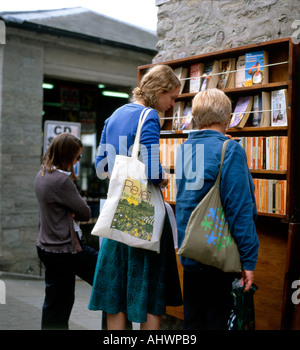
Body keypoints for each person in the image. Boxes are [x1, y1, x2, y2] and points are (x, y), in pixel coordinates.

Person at [88, 64, 183, 330]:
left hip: (117, 214)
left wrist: (123, 177)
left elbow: (101, 167)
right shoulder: (149, 116)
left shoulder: (115, 115)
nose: (172, 104)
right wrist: (163, 178)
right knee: (151, 294)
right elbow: (153, 171)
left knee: (114, 295)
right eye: (172, 97)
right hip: (142, 216)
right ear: (159, 91)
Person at [175, 89, 259, 330]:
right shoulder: (230, 150)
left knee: (193, 320)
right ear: (227, 118)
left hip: (190, 248)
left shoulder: (185, 148)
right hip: (218, 252)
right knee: (217, 321)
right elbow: (240, 209)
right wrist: (249, 260)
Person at [35, 132, 98, 330]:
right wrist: (74, 209)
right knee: (107, 277)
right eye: (77, 157)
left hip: (47, 246)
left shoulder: (42, 174)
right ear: (67, 156)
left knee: (55, 302)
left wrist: (70, 209)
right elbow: (85, 212)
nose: (78, 160)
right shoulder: (62, 181)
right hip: (65, 249)